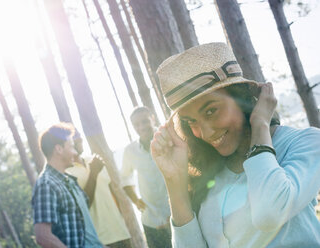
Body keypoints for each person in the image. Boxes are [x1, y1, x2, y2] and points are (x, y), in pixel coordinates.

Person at [150, 42, 320, 247]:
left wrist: (260, 125)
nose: (205, 133)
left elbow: (269, 215)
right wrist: (174, 181)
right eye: (191, 121)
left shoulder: (304, 143)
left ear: (242, 98)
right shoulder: (209, 173)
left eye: (211, 111)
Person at [32, 123, 102, 248]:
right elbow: (43, 236)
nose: (75, 152)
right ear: (59, 149)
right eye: (72, 147)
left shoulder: (70, 180)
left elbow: (85, 231)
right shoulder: (47, 185)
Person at [65, 130, 132, 248]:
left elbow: (112, 193)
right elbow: (81, 206)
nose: (79, 139)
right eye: (74, 137)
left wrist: (122, 220)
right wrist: (93, 173)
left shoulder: (94, 160)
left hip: (121, 233)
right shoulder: (66, 173)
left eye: (79, 135)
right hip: (99, 241)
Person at [121, 107, 172, 248]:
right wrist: (135, 200)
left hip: (178, 213)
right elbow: (125, 178)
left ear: (153, 118)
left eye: (145, 121)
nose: (141, 127)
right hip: (151, 220)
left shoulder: (169, 137)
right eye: (136, 124)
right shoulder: (130, 151)